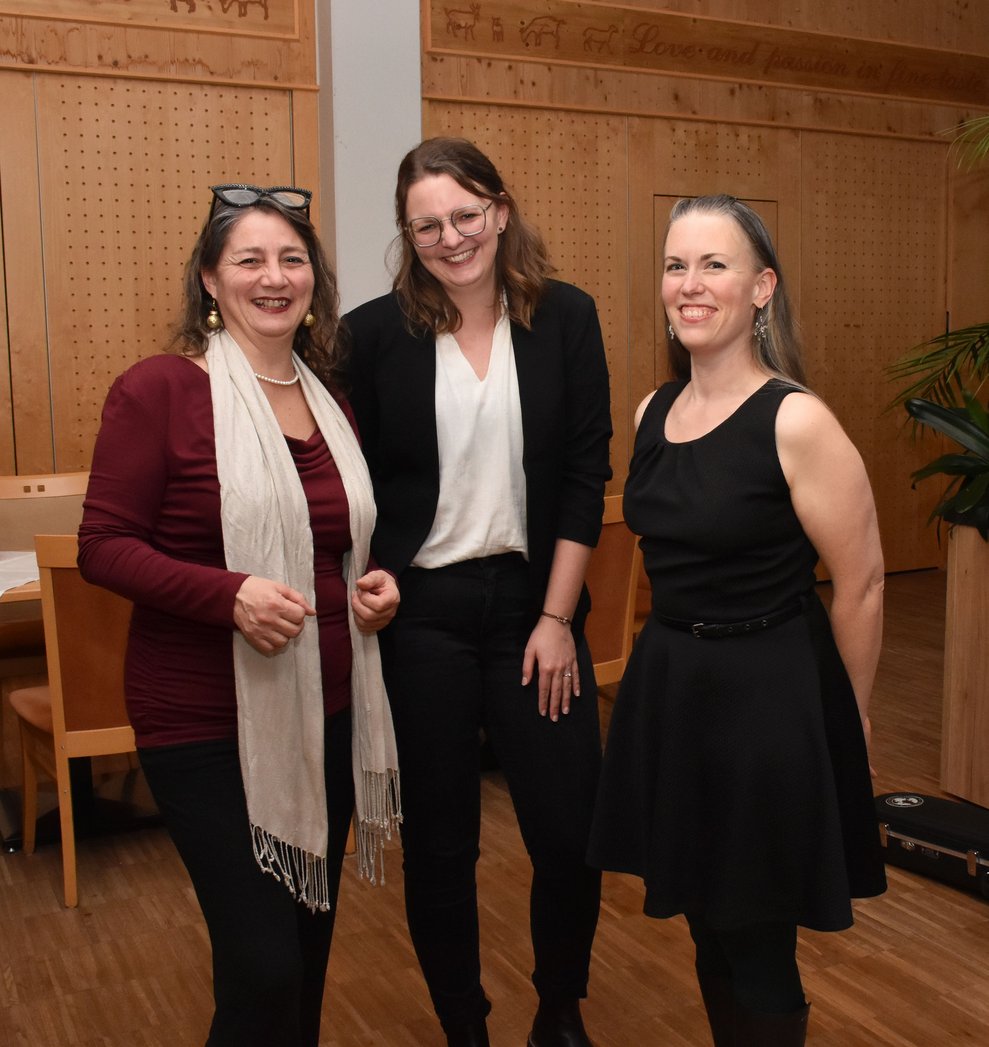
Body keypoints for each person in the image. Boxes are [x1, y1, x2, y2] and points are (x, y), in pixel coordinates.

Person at [77, 183, 402, 1047]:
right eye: (249, 259)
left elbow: (335, 545)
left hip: (326, 714)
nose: (274, 276)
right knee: (264, 968)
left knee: (303, 953)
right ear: (210, 280)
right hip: (203, 726)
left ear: (313, 279)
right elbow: (102, 546)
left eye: (292, 258)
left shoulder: (328, 400)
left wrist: (370, 588)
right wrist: (229, 595)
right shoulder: (159, 389)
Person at [588, 194, 887, 1047]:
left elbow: (862, 583)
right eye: (675, 265)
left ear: (761, 288)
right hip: (673, 690)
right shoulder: (652, 412)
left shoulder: (796, 420)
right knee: (706, 920)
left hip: (768, 700)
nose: (689, 284)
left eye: (713, 265)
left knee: (755, 934)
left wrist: (850, 717)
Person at [341, 137, 612, 1047]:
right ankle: (464, 1025)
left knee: (568, 828)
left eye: (465, 215)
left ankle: (559, 1009)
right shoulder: (373, 335)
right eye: (426, 225)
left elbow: (585, 477)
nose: (450, 238)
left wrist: (557, 618)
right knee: (442, 842)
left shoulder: (566, 317)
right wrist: (370, 577)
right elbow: (352, 483)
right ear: (406, 233)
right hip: (423, 617)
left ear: (499, 210)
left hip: (538, 607)